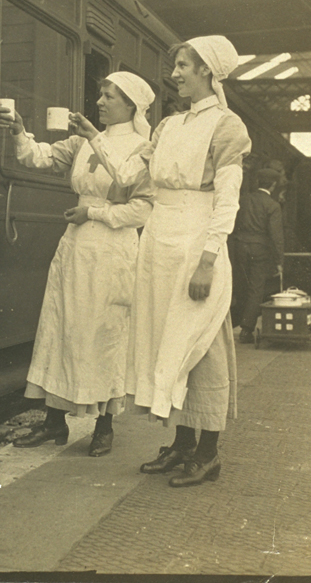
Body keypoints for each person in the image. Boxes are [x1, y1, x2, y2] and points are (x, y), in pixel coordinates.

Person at [72, 36, 251, 486]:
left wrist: (208, 260)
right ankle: (183, 444)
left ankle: (209, 452)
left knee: (200, 343)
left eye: (184, 66)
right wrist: (95, 139)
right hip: (159, 241)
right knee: (167, 340)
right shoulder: (168, 126)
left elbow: (227, 201)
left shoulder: (228, 127)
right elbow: (130, 177)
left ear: (208, 72)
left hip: (196, 240)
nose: (175, 74)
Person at [0, 73, 155, 457]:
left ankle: (104, 425)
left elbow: (143, 209)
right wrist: (19, 131)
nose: (99, 101)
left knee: (105, 333)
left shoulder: (144, 148)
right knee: (61, 326)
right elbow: (39, 157)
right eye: (100, 94)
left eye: (109, 96)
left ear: (131, 105)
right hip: (76, 246)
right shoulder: (82, 141)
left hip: (113, 249)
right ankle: (54, 422)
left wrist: (94, 212)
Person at [233, 167, 284, 344]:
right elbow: (276, 235)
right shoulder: (272, 205)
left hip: (240, 247)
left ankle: (235, 322)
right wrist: (279, 261)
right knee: (256, 289)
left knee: (241, 286)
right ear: (274, 185)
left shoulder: (243, 199)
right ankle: (246, 330)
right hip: (259, 250)